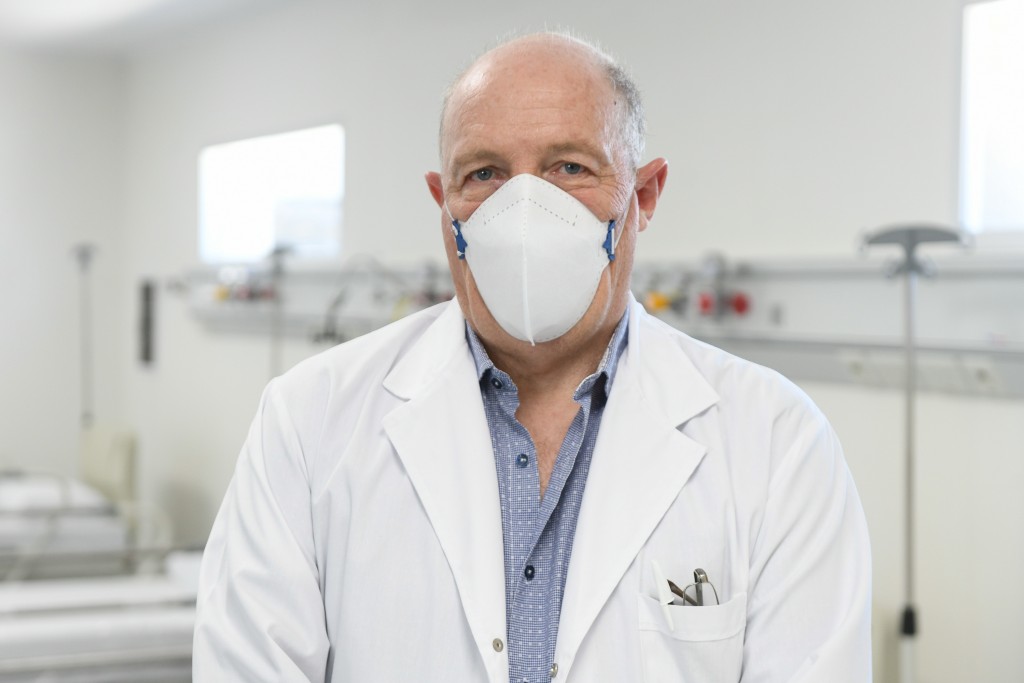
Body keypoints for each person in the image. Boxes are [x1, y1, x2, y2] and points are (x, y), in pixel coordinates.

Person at [193, 32, 872, 682]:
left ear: (643, 196)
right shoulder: (308, 423)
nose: (523, 211)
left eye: (569, 167)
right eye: (484, 173)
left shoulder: (776, 443)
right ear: (444, 204)